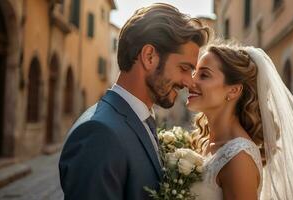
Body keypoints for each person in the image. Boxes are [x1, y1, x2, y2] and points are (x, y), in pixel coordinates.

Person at [58, 3, 209, 200]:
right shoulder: (99, 135)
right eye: (184, 68)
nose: (189, 82)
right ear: (149, 57)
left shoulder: (140, 120)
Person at [188, 42, 293, 200]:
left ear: (234, 90)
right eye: (194, 73)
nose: (191, 81)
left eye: (204, 75)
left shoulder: (238, 158)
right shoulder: (206, 143)